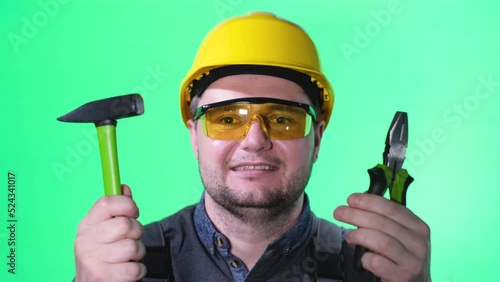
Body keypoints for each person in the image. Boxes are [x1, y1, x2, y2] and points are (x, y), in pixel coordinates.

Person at [73, 12, 431, 282]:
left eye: (283, 118)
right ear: (194, 137)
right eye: (227, 119)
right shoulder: (124, 263)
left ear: (316, 139)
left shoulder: (370, 267)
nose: (255, 140)